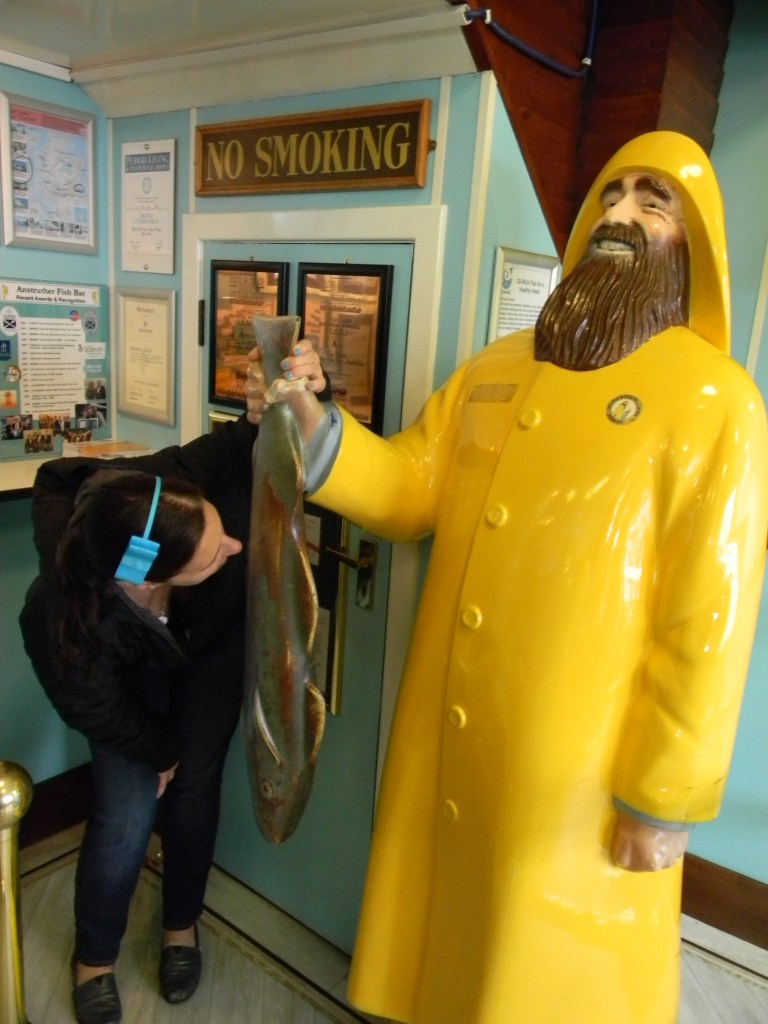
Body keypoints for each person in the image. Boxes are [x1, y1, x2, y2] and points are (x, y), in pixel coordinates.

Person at [246, 132, 768, 1023]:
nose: (621, 215)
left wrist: (661, 797)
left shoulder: (715, 400)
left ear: (695, 244)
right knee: (446, 935)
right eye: (611, 195)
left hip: (575, 759)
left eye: (654, 201)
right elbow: (412, 485)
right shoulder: (493, 369)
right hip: (448, 719)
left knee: (547, 964)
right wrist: (313, 419)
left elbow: (707, 617)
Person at [20, 341, 328, 1024]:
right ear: (149, 574)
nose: (234, 549)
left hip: (206, 651)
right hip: (125, 686)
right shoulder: (69, 614)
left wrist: (291, 392)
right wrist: (157, 749)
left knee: (193, 794)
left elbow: (258, 437)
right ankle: (94, 960)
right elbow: (93, 703)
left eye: (221, 533)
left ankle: (179, 926)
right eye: (213, 557)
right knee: (126, 814)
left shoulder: (177, 482)